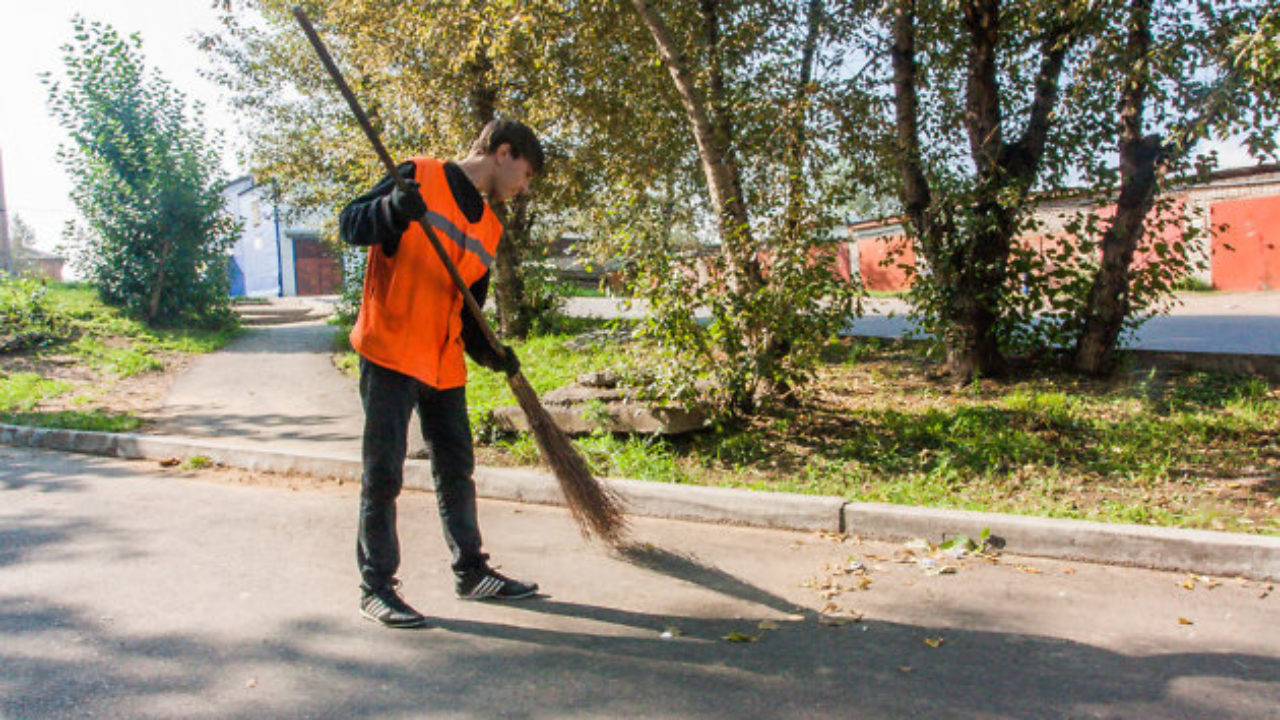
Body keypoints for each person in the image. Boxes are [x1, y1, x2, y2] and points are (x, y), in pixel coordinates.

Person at [339, 118, 544, 629]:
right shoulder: (418, 176)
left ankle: (471, 572)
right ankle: (377, 588)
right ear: (503, 152)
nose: (524, 188)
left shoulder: (489, 229)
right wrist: (391, 209)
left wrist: (495, 356)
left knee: (456, 468)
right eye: (526, 174)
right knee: (383, 473)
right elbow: (349, 224)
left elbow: (469, 310)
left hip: (443, 360)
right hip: (391, 349)